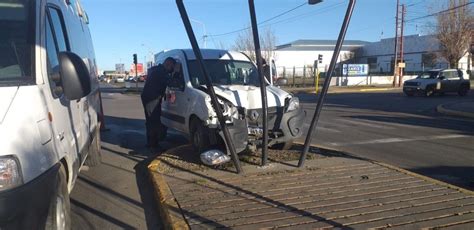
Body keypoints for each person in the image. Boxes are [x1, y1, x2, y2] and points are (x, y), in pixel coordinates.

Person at [141, 57, 176, 150]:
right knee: (153, 120)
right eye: (172, 67)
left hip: (149, 97)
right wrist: (175, 76)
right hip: (152, 99)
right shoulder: (161, 72)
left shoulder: (156, 69)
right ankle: (153, 144)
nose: (172, 69)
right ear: (168, 64)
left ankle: (152, 142)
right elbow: (171, 82)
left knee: (151, 120)